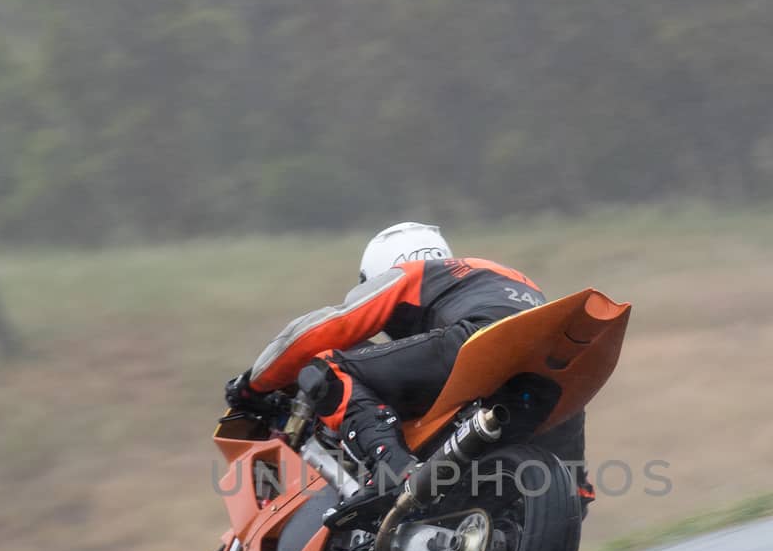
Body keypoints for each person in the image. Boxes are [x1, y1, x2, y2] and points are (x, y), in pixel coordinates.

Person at [226, 222, 591, 518]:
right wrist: (572, 490)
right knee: (551, 413)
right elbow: (565, 410)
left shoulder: (411, 274)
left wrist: (255, 385)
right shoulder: (495, 275)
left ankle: (392, 469)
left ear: (378, 272)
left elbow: (322, 329)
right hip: (552, 365)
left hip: (476, 341)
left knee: (327, 368)